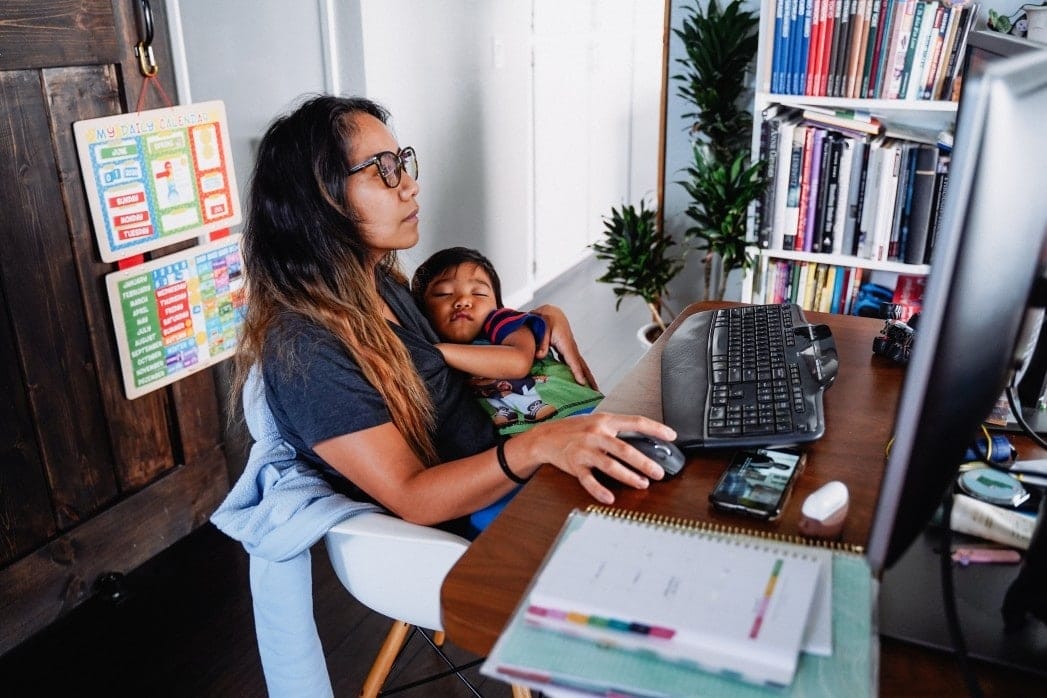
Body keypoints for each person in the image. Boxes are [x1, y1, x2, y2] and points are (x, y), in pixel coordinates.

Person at [234, 94, 675, 537]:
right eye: (382, 170)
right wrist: (536, 446)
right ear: (318, 201)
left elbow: (461, 336)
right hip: (479, 516)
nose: (408, 185)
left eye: (402, 163)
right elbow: (414, 496)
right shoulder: (309, 350)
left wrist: (537, 318)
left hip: (513, 460)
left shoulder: (380, 283)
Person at [411, 246, 603, 433]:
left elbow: (518, 362)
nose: (463, 301)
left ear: (497, 304)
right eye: (444, 293)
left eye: (479, 293)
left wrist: (439, 351)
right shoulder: (432, 348)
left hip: (578, 412)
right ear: (422, 312)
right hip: (535, 440)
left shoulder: (501, 322)